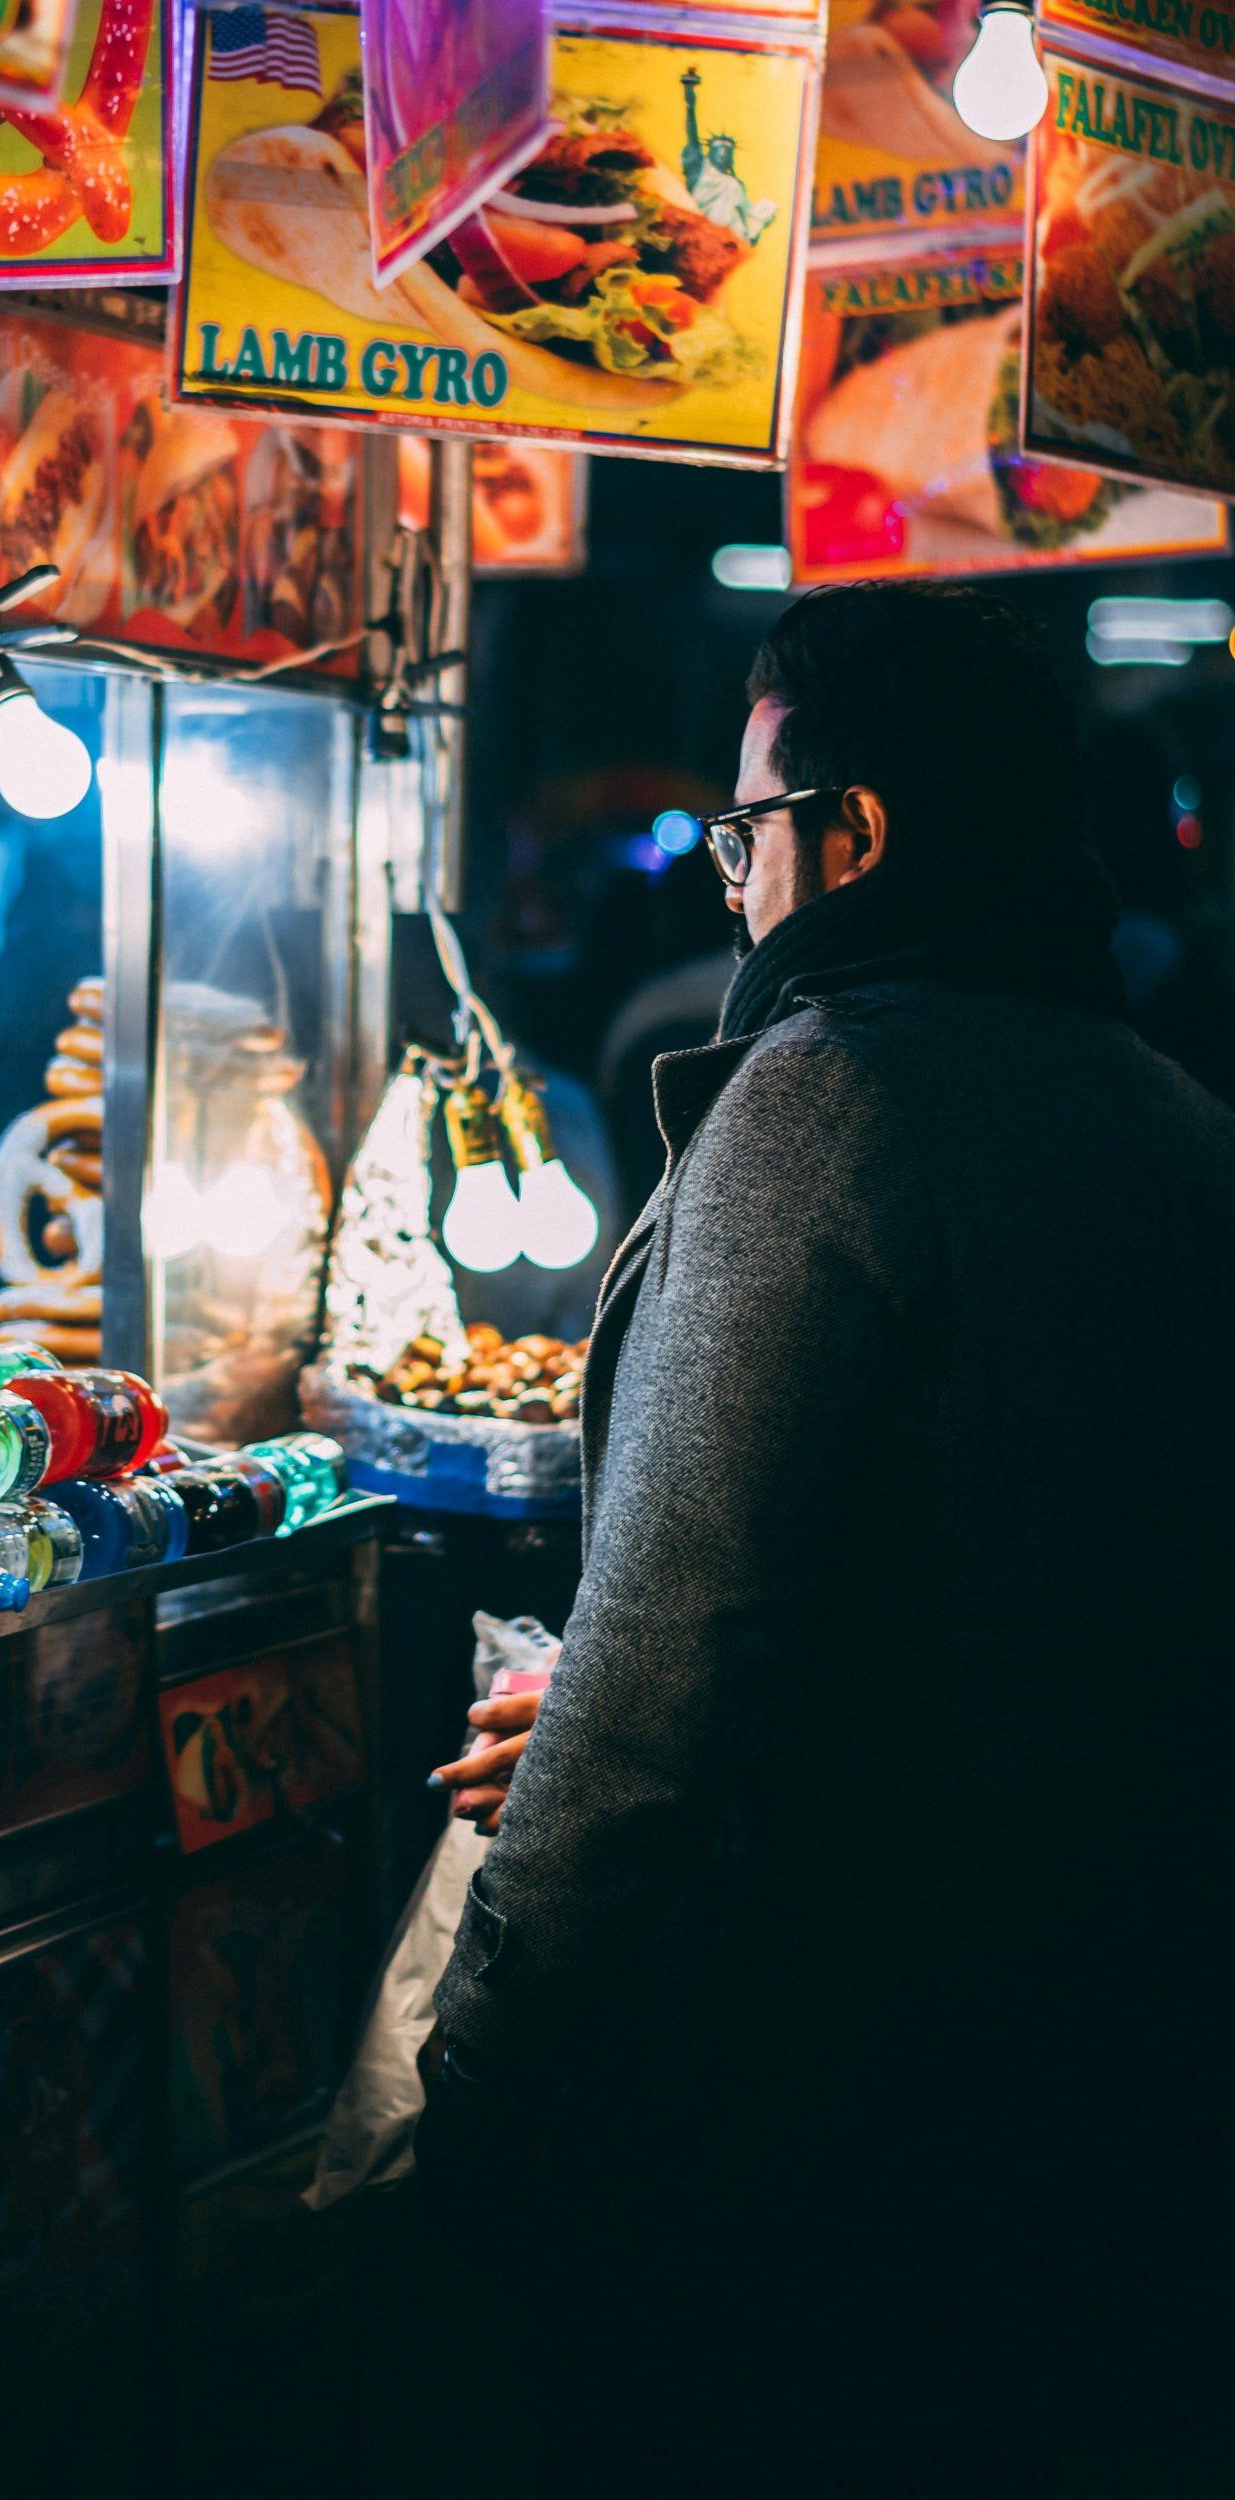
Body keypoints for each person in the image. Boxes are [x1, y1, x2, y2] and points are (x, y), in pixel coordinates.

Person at [416, 583, 1235, 2498]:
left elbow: (663, 1681)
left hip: (826, 2104)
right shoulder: (1186, 1135)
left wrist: (484, 2063)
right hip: (1127, 2082)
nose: (727, 884)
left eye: (747, 830)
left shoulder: (821, 1103)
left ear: (853, 835)